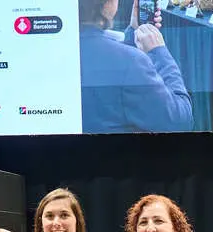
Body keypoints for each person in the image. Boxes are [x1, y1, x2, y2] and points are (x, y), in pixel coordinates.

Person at [79, 0, 193, 133]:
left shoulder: (56, 47)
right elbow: (179, 121)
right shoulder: (131, 63)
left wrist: (133, 35)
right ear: (107, 3)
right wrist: (159, 52)